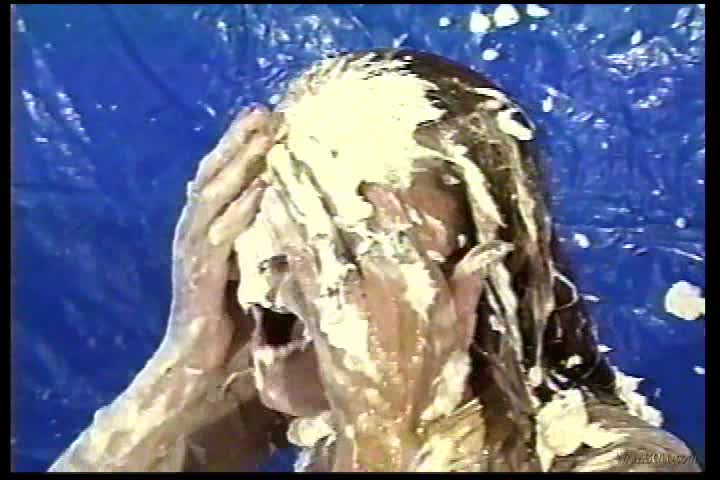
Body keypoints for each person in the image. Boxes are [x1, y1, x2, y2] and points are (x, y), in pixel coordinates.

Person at [49, 49, 700, 472]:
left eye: (343, 244)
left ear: (475, 278)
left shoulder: (622, 462)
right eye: (270, 206)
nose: (273, 272)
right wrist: (186, 361)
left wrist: (381, 435)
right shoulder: (299, 397)